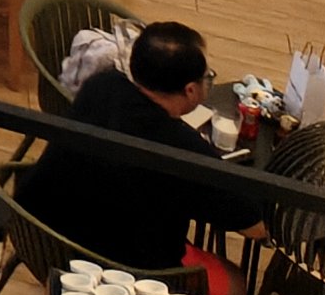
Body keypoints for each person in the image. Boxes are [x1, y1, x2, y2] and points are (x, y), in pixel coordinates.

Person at [32, 22, 259, 274]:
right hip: (110, 270)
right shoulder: (181, 148)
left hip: (41, 236)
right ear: (191, 90)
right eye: (207, 76)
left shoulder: (102, 84)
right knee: (233, 280)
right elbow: (253, 226)